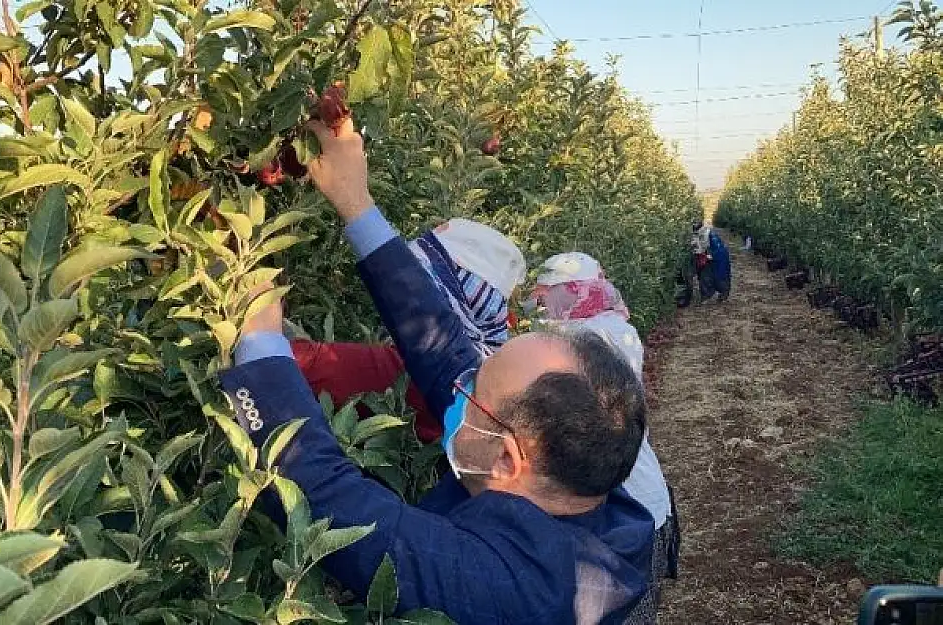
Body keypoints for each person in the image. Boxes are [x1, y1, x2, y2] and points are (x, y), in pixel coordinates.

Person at [217, 117, 655, 624]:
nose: (460, 384)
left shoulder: (512, 591)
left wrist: (259, 338)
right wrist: (356, 203)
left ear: (508, 460)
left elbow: (321, 493)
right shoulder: (578, 479)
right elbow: (443, 348)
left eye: (473, 393)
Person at [527, 252, 681, 623]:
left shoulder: (591, 341)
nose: (542, 306)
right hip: (638, 501)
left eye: (548, 297)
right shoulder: (614, 328)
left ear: (574, 293)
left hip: (626, 513)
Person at [292, 218, 526, 443]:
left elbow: (304, 365)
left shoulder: (413, 372)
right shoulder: (484, 385)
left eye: (419, 287)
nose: (400, 297)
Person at [691, 220, 731, 303]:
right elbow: (699, 245)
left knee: (720, 276)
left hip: (718, 259)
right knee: (705, 276)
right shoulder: (700, 234)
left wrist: (712, 255)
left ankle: (723, 294)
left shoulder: (711, 236)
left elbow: (719, 250)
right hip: (707, 257)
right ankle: (705, 296)